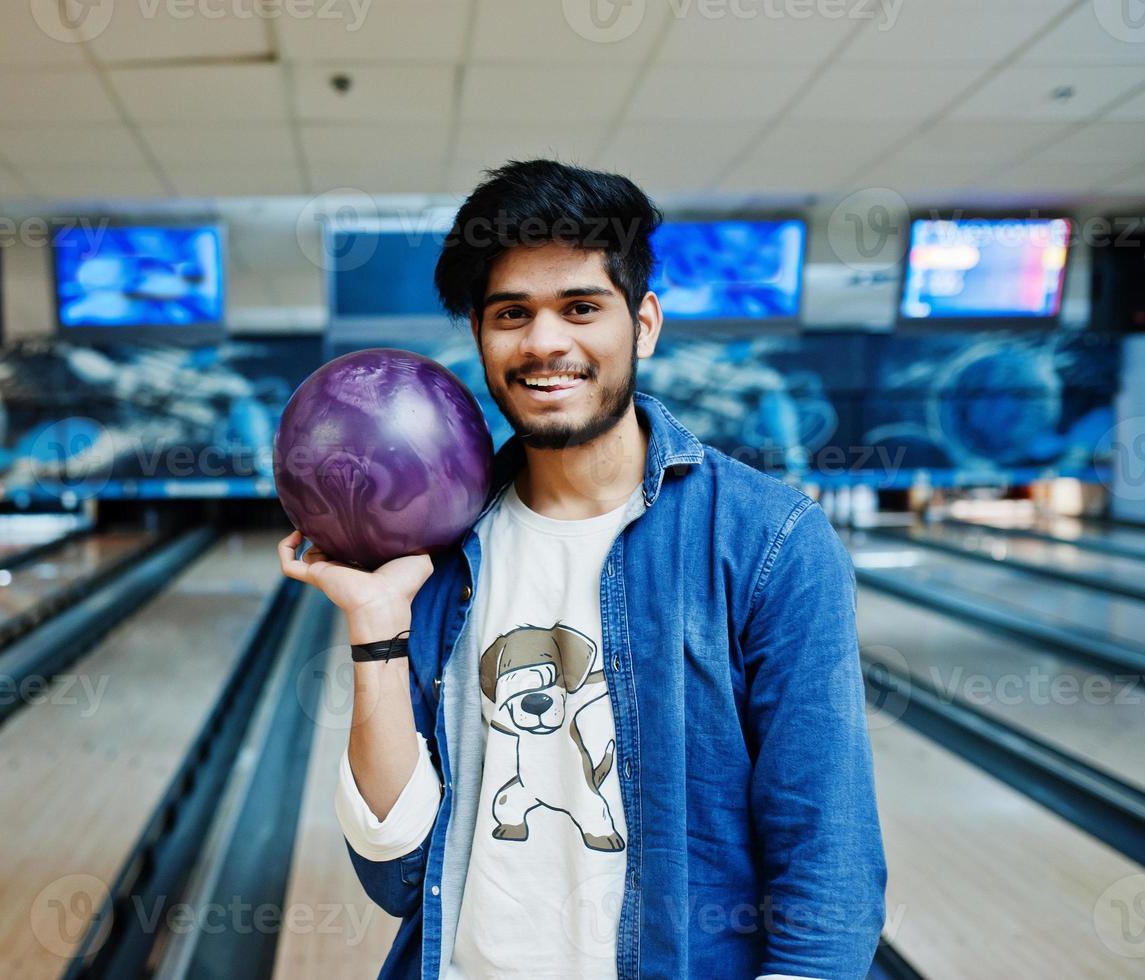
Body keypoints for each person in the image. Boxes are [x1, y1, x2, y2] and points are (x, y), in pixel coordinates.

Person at [278, 159, 886, 980]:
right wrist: (377, 629)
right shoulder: (430, 553)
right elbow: (396, 874)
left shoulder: (768, 540)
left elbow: (829, 857)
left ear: (643, 324)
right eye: (511, 314)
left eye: (580, 308)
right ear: (481, 338)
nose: (544, 342)